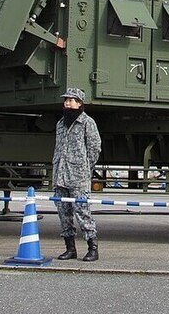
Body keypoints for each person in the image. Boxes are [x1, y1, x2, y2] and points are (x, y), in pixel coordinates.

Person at [52, 87, 102, 261]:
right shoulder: (60, 123)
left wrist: (85, 168)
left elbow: (94, 148)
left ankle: (92, 248)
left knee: (83, 213)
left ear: (79, 103)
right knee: (64, 214)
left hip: (78, 177)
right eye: (65, 100)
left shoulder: (87, 122)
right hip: (60, 176)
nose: (67, 103)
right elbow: (58, 148)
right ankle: (70, 249)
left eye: (70, 100)